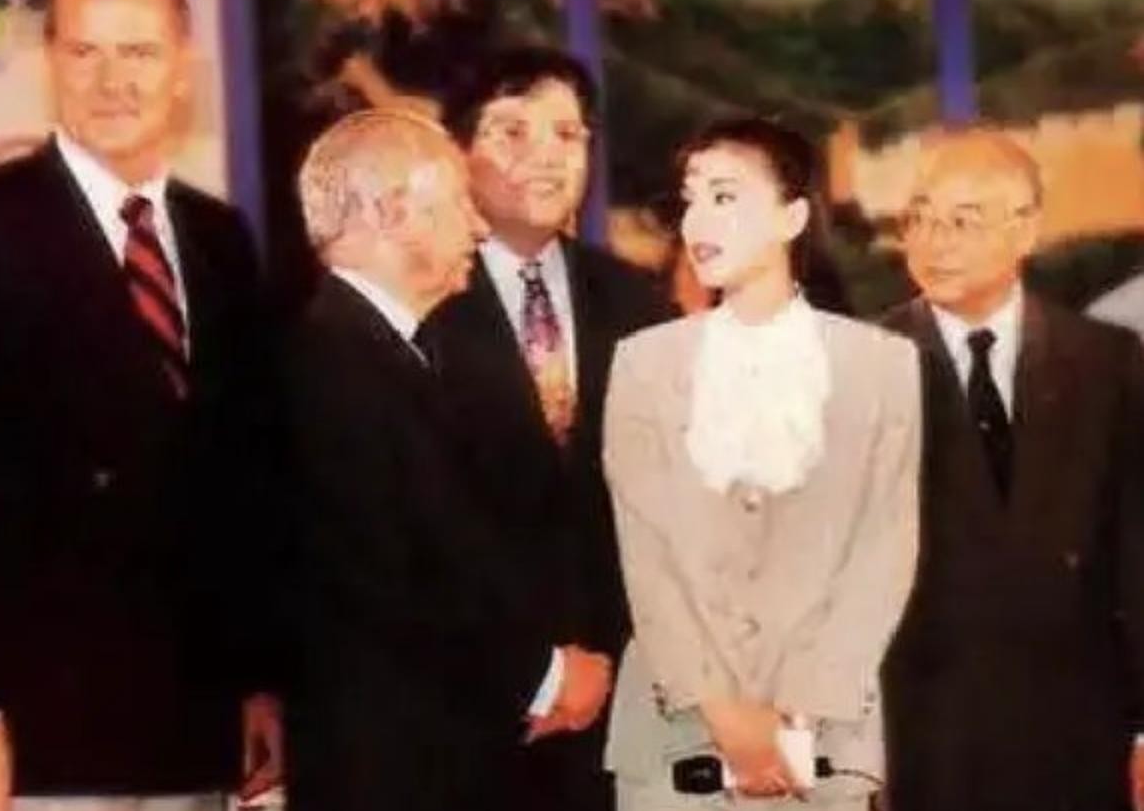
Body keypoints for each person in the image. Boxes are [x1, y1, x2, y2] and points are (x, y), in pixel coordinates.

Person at [0, 0, 280, 811]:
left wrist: (256, 682)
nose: (112, 80)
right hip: (31, 736)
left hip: (193, 730)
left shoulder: (222, 240)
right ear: (50, 62)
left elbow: (243, 485)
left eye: (139, 53)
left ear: (182, 70)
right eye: (86, 52)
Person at [280, 108, 611, 811]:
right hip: (391, 772)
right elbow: (396, 583)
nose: (479, 227)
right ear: (391, 213)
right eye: (460, 202)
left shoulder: (384, 351)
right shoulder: (332, 366)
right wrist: (544, 675)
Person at [602, 118, 920, 810]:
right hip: (676, 739)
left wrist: (800, 709)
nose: (697, 220)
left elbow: (883, 550)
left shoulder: (881, 365)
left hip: (824, 740)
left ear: (792, 217)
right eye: (690, 199)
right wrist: (723, 713)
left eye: (725, 196)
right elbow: (646, 557)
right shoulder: (642, 364)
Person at [420, 45, 673, 811]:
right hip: (465, 707)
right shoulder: (420, 303)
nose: (546, 156)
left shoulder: (635, 302)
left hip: (619, 705)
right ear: (458, 152)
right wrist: (531, 669)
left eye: (568, 135)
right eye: (512, 131)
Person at [880, 126, 1144, 811]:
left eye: (962, 221)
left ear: (1025, 228)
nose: (934, 242)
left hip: (1080, 736)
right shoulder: (866, 364)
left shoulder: (1108, 362)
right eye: (919, 219)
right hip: (921, 740)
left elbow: (1135, 555)